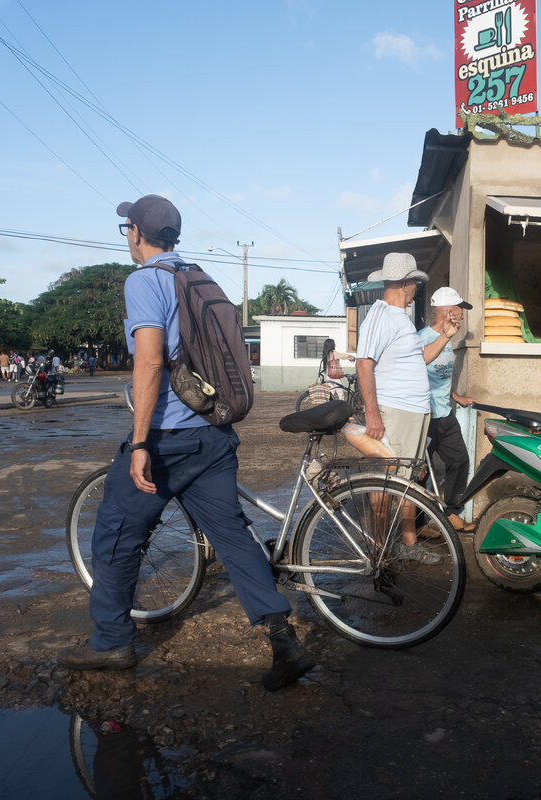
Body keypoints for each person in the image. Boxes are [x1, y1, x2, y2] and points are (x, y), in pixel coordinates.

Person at [59, 193, 315, 691]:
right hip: (214, 434)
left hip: (169, 436)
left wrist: (139, 445)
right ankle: (284, 641)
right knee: (233, 535)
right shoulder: (200, 278)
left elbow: (150, 361)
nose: (127, 238)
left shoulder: (145, 281)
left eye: (126, 229)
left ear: (136, 232)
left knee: (115, 534)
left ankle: (111, 643)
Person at [354, 252, 439, 564]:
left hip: (412, 411)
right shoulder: (382, 315)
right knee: (386, 482)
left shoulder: (399, 317)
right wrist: (373, 413)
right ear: (407, 284)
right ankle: (378, 550)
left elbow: (418, 361)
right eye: (415, 282)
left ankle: (407, 541)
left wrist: (444, 334)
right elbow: (363, 364)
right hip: (395, 411)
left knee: (407, 480)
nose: (416, 287)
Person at [418, 287, 477, 532]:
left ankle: (451, 511)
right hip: (425, 417)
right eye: (460, 310)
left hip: (445, 413)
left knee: (460, 461)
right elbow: (416, 370)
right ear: (449, 311)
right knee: (420, 473)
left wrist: (455, 396)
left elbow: (440, 376)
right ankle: (416, 524)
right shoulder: (422, 338)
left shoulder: (449, 338)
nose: (463, 316)